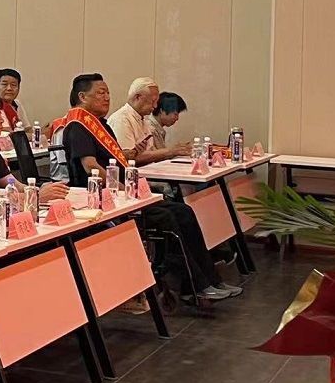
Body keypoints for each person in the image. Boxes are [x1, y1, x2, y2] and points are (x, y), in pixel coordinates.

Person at [50, 74, 241, 302]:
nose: (107, 97)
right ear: (82, 97)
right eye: (101, 93)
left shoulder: (100, 124)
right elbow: (90, 166)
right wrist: (125, 190)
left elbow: (115, 158)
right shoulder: (77, 127)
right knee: (168, 217)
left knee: (183, 210)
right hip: (105, 199)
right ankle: (195, 285)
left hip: (125, 192)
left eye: (108, 92)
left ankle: (211, 280)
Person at [108, 78, 192, 165]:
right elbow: (130, 158)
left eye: (156, 102)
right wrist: (171, 151)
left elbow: (152, 152)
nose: (155, 106)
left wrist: (175, 151)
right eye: (152, 101)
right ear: (137, 97)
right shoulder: (121, 119)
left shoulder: (142, 120)